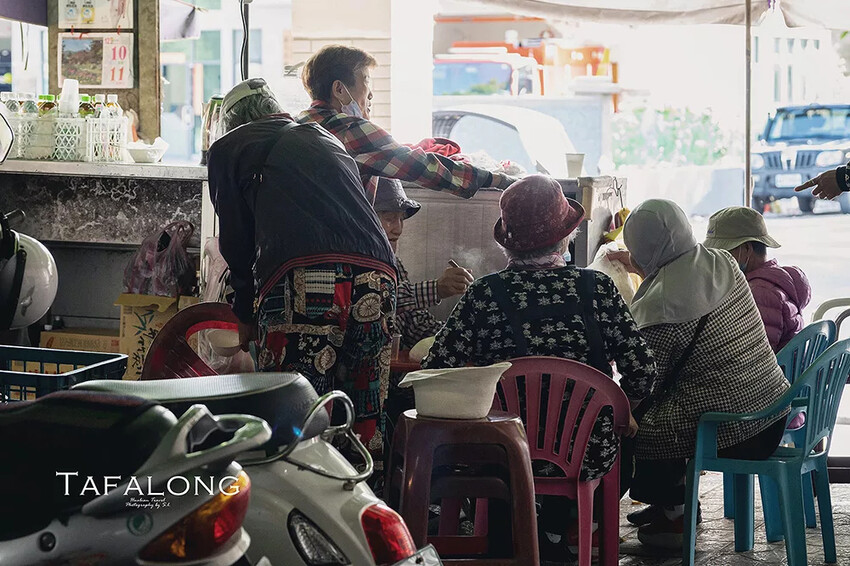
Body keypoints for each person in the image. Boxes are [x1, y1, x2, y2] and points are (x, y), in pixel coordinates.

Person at [422, 175, 657, 560]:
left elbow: (437, 370)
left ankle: (520, 528)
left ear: (508, 241)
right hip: (585, 452)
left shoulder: (483, 293)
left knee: (498, 448)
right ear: (566, 237)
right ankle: (555, 530)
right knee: (621, 442)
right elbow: (642, 369)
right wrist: (622, 407)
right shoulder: (597, 289)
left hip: (502, 452)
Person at [207, 78, 397, 449]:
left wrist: (243, 313)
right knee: (361, 417)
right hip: (378, 279)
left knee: (294, 416)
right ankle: (361, 501)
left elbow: (236, 241)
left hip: (307, 284)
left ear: (230, 122)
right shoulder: (324, 138)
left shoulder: (230, 147)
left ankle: (294, 504)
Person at [611, 199, 789, 549]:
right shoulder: (723, 263)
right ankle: (672, 504)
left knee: (632, 420)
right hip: (772, 413)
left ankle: (674, 518)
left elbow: (646, 382)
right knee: (672, 404)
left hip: (737, 430)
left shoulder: (662, 308)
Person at [297, 45, 516, 204]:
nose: (371, 94)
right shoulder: (348, 130)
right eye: (365, 81)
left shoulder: (299, 124)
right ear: (339, 90)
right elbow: (422, 165)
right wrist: (497, 179)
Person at [373, 177, 472, 349]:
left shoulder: (395, 264)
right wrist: (436, 289)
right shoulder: (352, 267)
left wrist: (463, 335)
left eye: (401, 219)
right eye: (389, 218)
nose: (398, 229)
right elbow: (377, 301)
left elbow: (416, 325)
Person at [703, 206, 811, 353]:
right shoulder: (774, 280)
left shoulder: (760, 292)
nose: (717, 259)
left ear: (747, 249)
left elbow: (754, 354)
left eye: (723, 252)